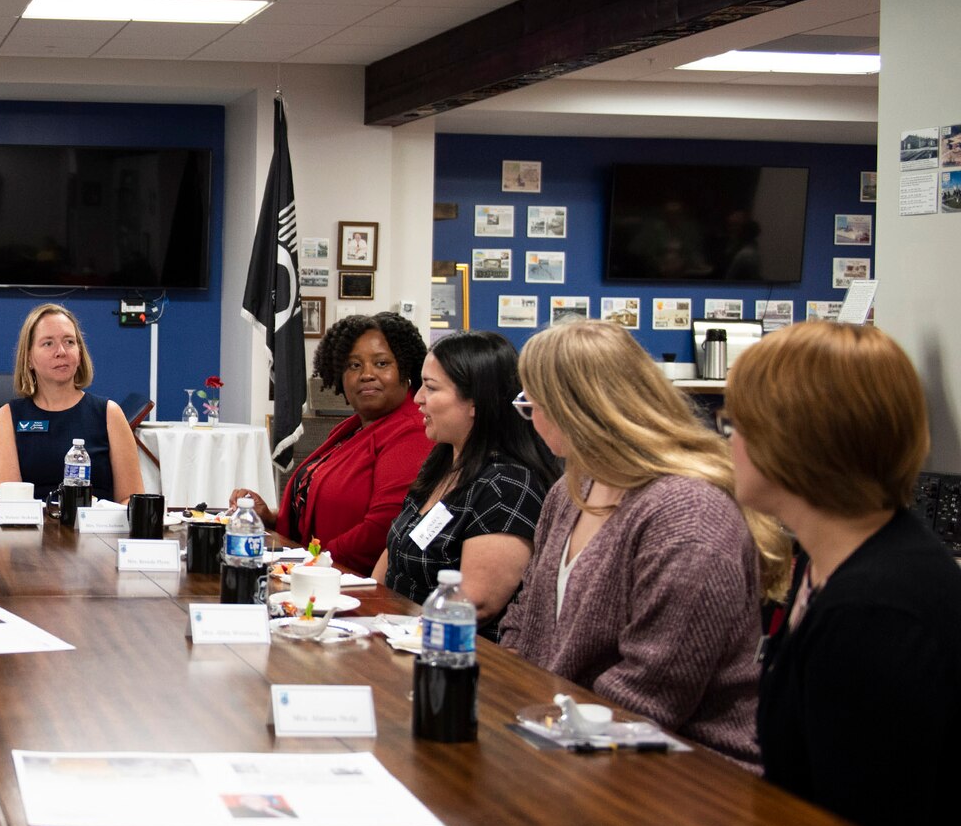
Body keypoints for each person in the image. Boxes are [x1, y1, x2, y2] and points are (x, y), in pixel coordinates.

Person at [726, 321, 959, 826]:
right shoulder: (823, 563)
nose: (730, 443)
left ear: (795, 441)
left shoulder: (876, 614)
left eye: (737, 426)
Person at [497, 319, 786, 768]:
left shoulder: (687, 514)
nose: (529, 418)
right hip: (571, 742)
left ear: (571, 409)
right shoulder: (571, 489)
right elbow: (525, 614)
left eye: (530, 404)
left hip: (688, 773)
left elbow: (652, 694)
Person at [368, 331, 557, 637]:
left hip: (454, 658)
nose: (417, 398)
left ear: (475, 403)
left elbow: (474, 604)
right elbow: (392, 557)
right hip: (393, 637)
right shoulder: (442, 463)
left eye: (430, 387)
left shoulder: (506, 486)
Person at [229, 312, 431, 575]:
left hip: (356, 590)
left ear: (407, 369)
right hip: (317, 576)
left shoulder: (412, 432)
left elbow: (384, 528)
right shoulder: (352, 430)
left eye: (382, 363)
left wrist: (314, 562)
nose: (366, 375)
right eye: (353, 365)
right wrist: (271, 518)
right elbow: (317, 506)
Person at [0, 303, 144, 504]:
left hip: (96, 531)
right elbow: (8, 502)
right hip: (31, 532)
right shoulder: (8, 416)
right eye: (48, 343)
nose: (61, 351)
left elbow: (129, 500)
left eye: (69, 341)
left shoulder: (109, 414)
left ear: (79, 354)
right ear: (28, 359)